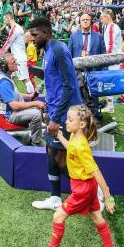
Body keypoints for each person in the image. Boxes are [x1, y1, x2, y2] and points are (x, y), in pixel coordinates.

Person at [28, 105, 119, 247]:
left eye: (70, 120)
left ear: (81, 124)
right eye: (67, 119)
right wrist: (61, 136)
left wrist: (108, 197)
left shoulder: (81, 146)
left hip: (83, 189)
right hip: (87, 186)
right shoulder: (76, 137)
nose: (66, 122)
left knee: (58, 216)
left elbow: (96, 171)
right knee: (97, 217)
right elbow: (71, 149)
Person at [29, 17, 82, 211]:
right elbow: (53, 84)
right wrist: (47, 108)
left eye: (35, 35)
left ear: (46, 33)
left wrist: (56, 118)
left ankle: (97, 192)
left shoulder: (59, 49)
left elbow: (69, 86)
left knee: (64, 160)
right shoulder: (47, 50)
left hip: (70, 115)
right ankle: (55, 198)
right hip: (57, 112)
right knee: (51, 154)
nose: (32, 38)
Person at [0, 53, 45, 146]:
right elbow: (14, 106)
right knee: (36, 114)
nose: (16, 63)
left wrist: (30, 96)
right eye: (13, 62)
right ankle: (36, 142)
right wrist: (35, 103)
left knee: (36, 109)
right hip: (8, 115)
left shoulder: (5, 76)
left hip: (9, 111)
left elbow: (14, 95)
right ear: (5, 66)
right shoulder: (3, 82)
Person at [0, 12, 34, 93]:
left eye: (4, 19)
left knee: (26, 80)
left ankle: (33, 99)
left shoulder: (15, 28)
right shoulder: (16, 28)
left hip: (19, 59)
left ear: (8, 18)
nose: (4, 21)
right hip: (16, 59)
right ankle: (14, 96)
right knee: (10, 77)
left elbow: (7, 43)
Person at [100, 10, 122, 114]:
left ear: (107, 17)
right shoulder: (112, 26)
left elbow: (111, 45)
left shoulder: (112, 27)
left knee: (109, 84)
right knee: (113, 83)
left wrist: (106, 59)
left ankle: (110, 106)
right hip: (114, 59)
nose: (101, 19)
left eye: (103, 17)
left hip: (112, 60)